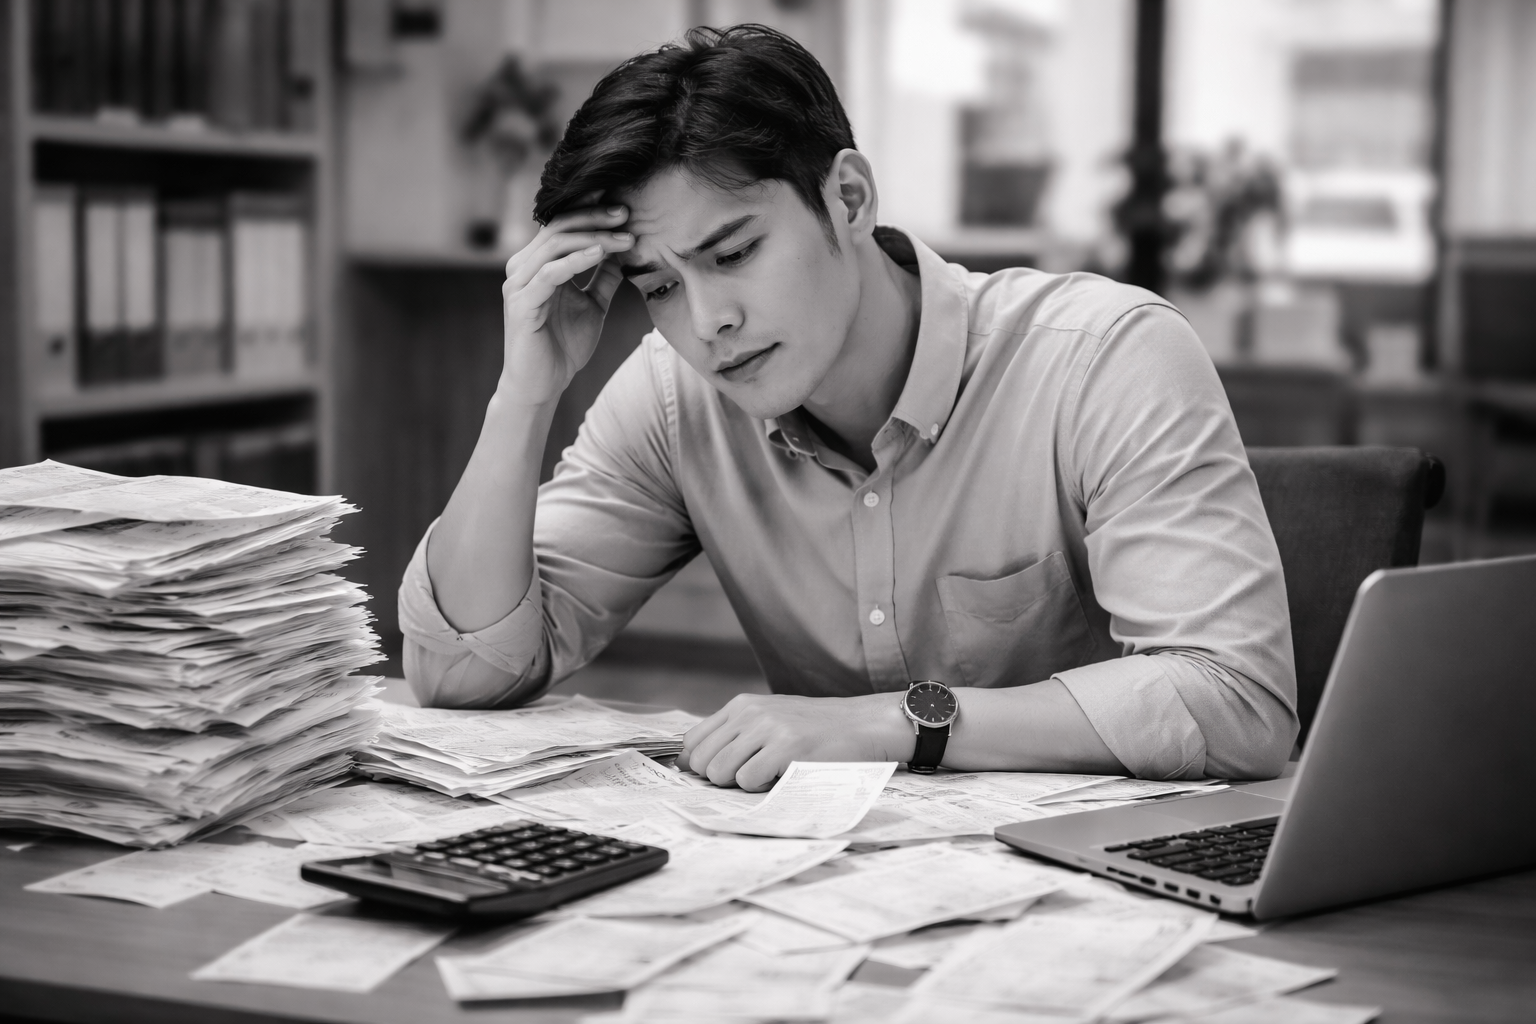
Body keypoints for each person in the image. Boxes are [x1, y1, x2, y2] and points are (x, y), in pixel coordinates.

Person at [399, 25, 1297, 791]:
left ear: (850, 198)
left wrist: (899, 724)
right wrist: (527, 391)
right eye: (661, 286)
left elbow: (1236, 701)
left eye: (735, 252)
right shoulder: (674, 401)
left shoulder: (1103, 357)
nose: (710, 321)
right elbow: (464, 674)